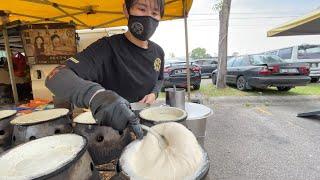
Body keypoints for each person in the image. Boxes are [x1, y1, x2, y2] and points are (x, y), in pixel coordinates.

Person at [46, 0, 165, 140]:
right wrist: (97, 96)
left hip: (148, 127)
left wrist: (154, 93)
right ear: (126, 10)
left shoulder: (158, 52)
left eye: (155, 13)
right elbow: (55, 76)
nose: (148, 17)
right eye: (142, 9)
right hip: (113, 135)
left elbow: (160, 79)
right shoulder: (106, 48)